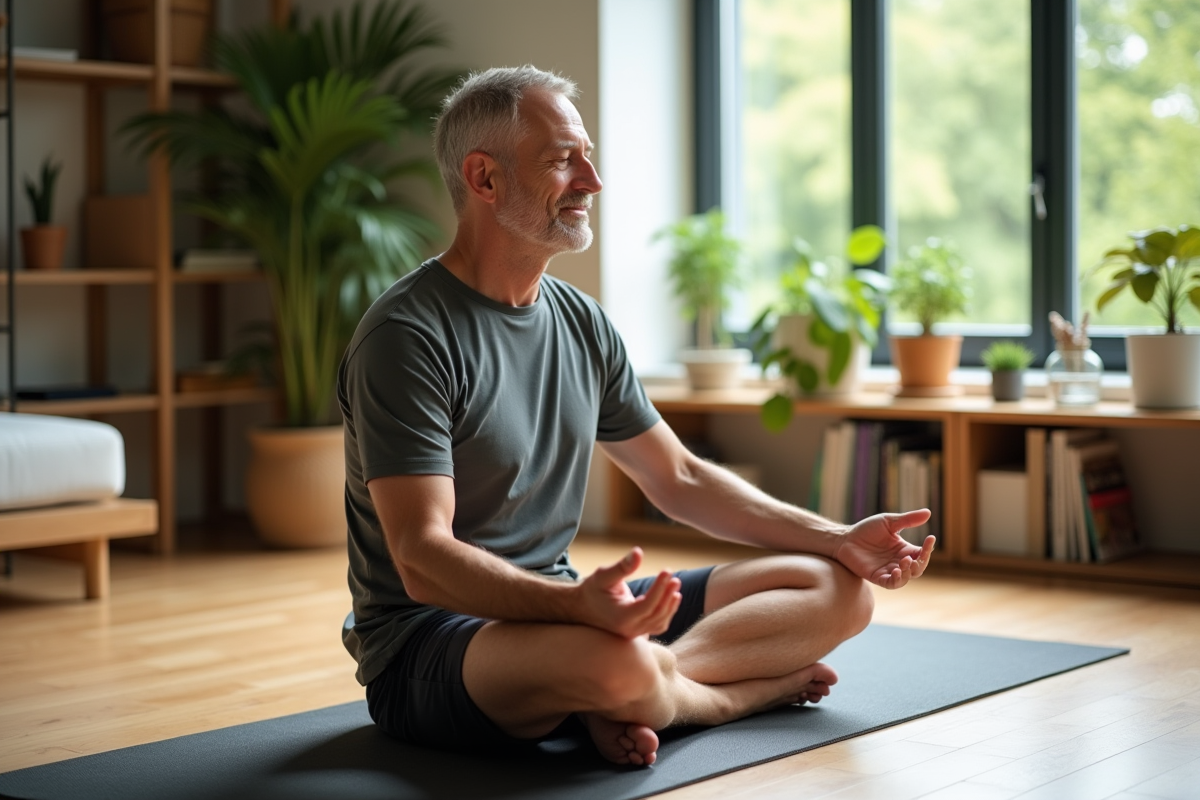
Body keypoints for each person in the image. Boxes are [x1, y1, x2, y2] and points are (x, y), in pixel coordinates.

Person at [337, 65, 935, 767]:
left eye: (587, 157)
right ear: (484, 178)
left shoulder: (582, 322)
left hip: (570, 611)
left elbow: (679, 477)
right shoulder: (407, 337)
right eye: (562, 161)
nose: (592, 181)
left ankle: (643, 691)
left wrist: (838, 539)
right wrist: (579, 611)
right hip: (434, 642)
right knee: (612, 659)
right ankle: (726, 697)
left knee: (838, 589)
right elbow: (421, 559)